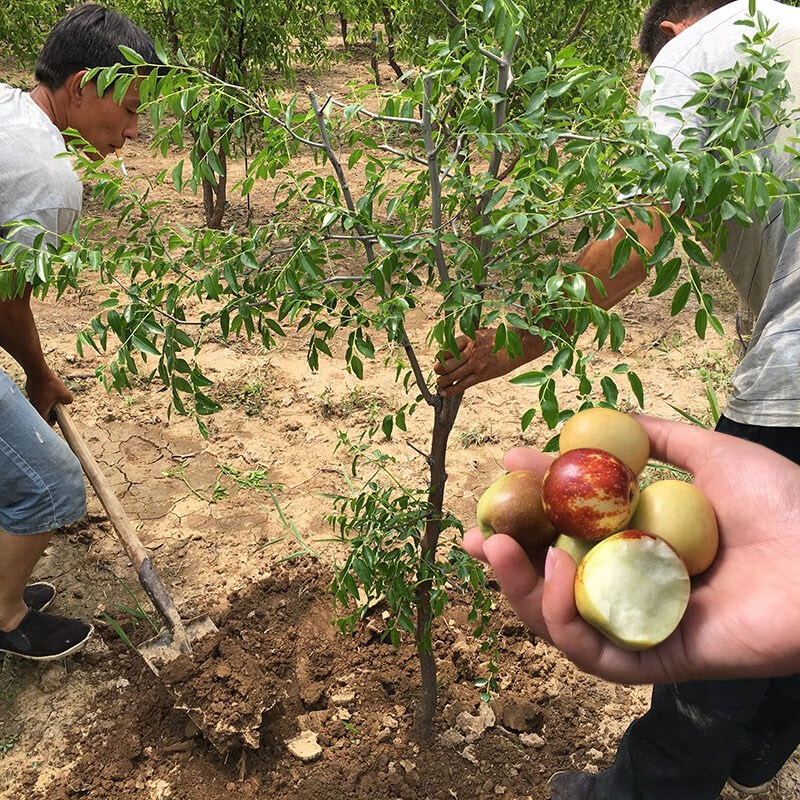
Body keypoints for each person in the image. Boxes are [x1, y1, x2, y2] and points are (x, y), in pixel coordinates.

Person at [444, 0, 800, 797]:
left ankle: (644, 789)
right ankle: (769, 732)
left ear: (669, 26)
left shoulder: (698, 50)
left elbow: (636, 241)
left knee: (719, 594)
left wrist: (508, 340)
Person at [0, 5, 157, 661]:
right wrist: (37, 374)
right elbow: (5, 298)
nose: (133, 129)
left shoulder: (9, 107)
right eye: (125, 109)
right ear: (82, 85)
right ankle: (3, 618)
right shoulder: (49, 176)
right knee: (51, 483)